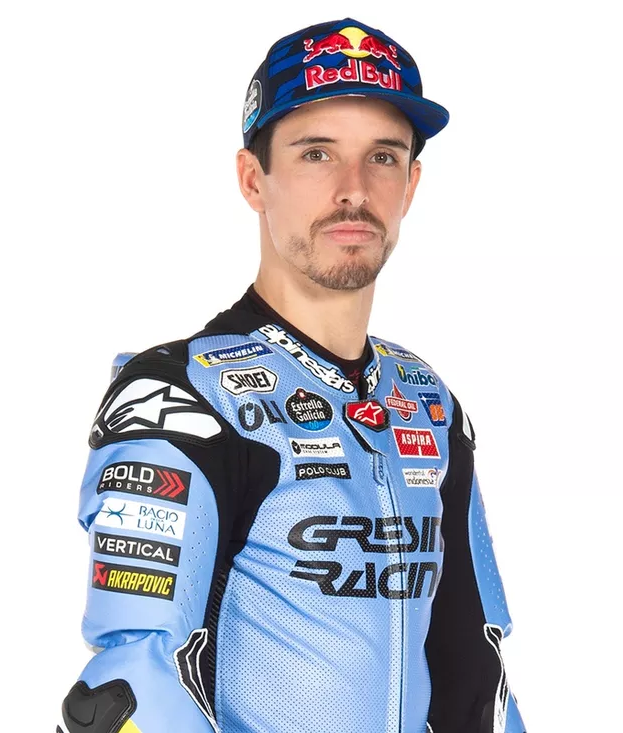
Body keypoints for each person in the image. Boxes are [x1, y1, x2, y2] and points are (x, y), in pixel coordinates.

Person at [58, 17, 525, 733]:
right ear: (254, 179)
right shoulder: (180, 398)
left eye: (383, 156)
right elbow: (130, 685)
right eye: (316, 153)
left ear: (411, 184)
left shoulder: (426, 402)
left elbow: (475, 675)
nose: (353, 189)